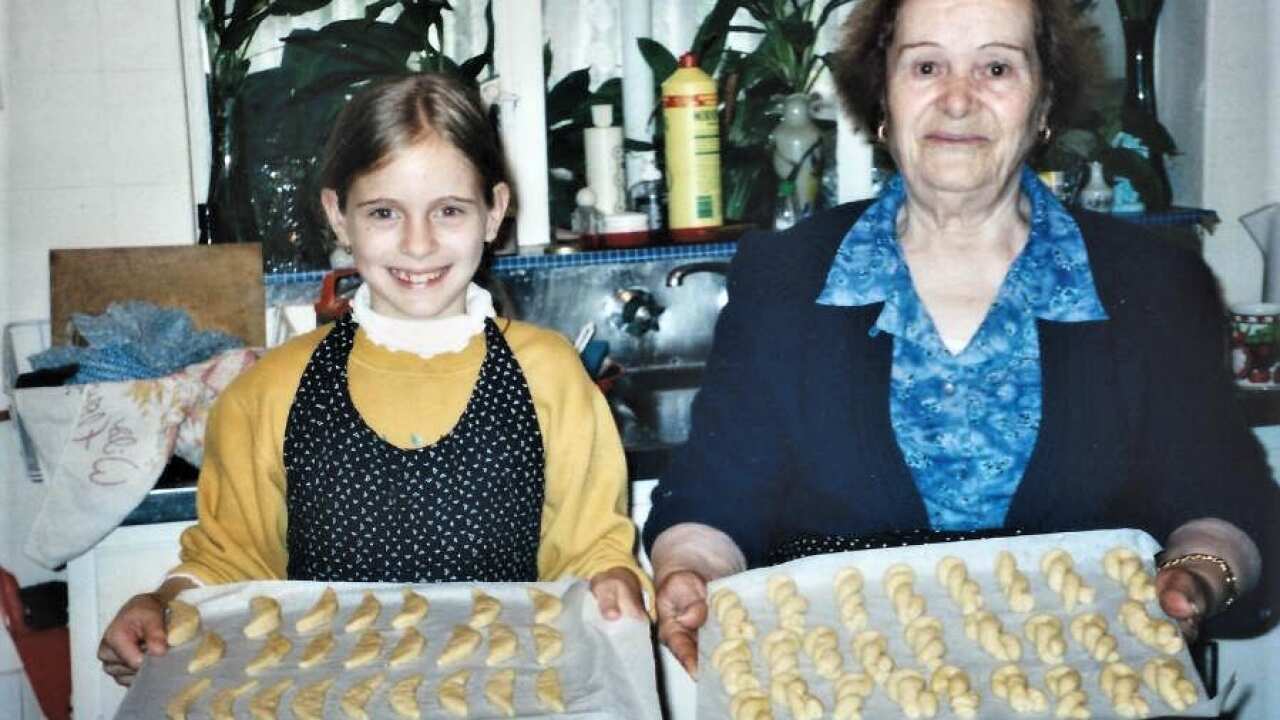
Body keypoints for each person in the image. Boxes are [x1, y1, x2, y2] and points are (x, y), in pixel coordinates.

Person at [644, 0, 1280, 674]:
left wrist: (1197, 576)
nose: (957, 100)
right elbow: (714, 495)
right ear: (881, 96)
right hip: (847, 691)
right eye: (926, 66)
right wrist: (689, 571)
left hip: (1087, 690)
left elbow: (1223, 498)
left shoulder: (1153, 283)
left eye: (997, 67)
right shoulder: (785, 280)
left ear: (1043, 105)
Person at [99, 73, 648, 685]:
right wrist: (162, 603)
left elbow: (590, 548)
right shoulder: (269, 391)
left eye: (449, 210)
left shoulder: (547, 374)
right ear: (339, 214)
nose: (419, 244)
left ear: (493, 212)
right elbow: (230, 561)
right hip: (329, 693)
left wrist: (614, 582)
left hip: (505, 694)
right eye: (385, 212)